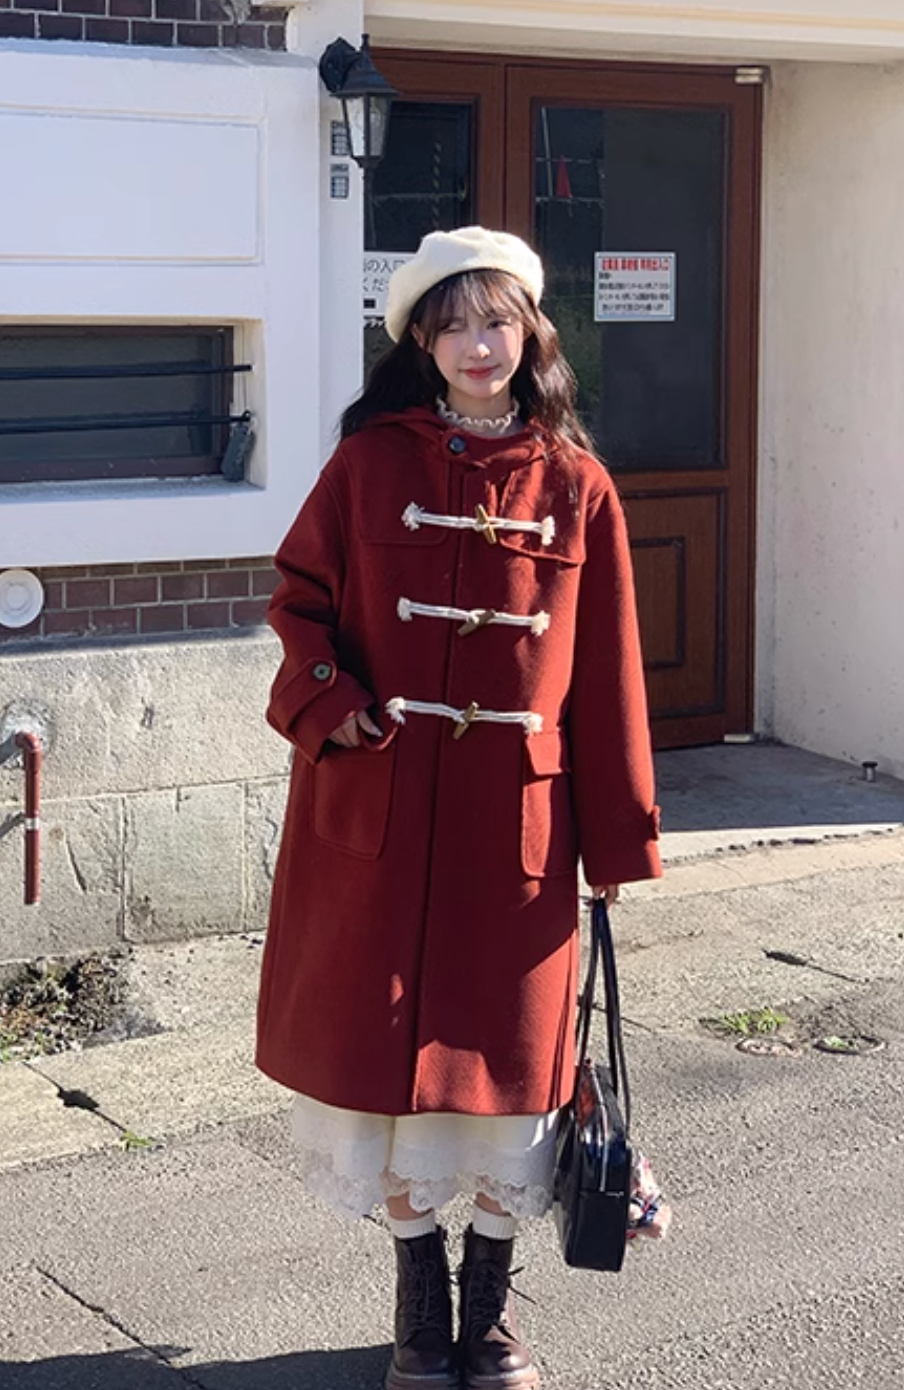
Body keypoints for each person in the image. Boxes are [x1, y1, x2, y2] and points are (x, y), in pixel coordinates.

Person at [256, 225, 663, 1390]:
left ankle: (487, 1318)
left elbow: (611, 671)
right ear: (419, 345)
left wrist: (617, 835)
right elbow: (297, 605)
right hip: (377, 819)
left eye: (495, 323)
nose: (476, 346)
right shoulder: (369, 467)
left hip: (520, 832)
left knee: (511, 1074)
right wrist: (332, 702)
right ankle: (417, 1320)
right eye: (450, 326)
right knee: (389, 1076)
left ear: (530, 335)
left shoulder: (577, 486)